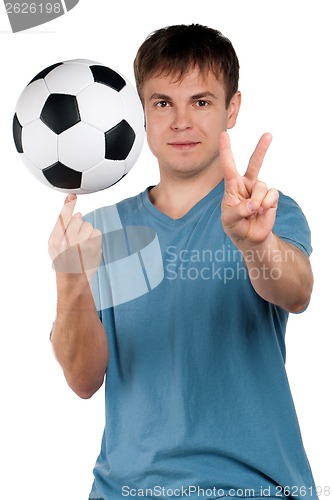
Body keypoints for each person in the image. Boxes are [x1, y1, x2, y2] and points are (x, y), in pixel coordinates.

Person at [48, 24, 317, 500]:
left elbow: (296, 293)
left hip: (253, 488)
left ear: (231, 109)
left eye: (201, 101)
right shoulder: (102, 231)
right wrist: (70, 282)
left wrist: (255, 244)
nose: (180, 122)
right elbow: (83, 380)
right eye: (162, 103)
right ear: (140, 112)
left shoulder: (266, 211)